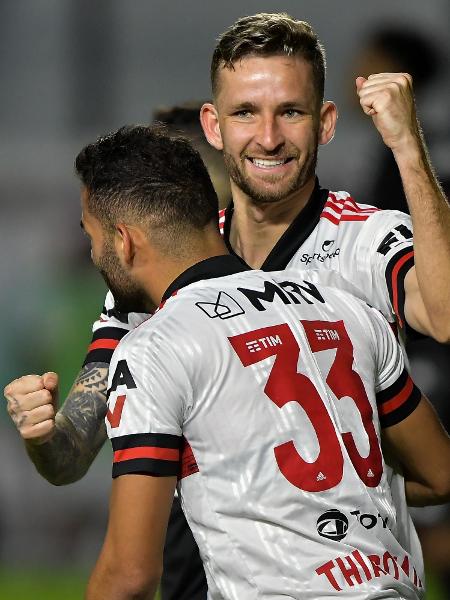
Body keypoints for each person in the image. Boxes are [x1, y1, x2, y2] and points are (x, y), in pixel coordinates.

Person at [4, 12, 450, 600]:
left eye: (290, 112)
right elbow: (71, 454)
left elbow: (443, 318)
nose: (268, 137)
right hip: (197, 580)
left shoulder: (362, 241)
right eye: (246, 113)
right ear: (213, 126)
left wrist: (407, 150)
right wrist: (43, 435)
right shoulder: (162, 267)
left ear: (325, 123)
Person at [77, 124, 450, 600]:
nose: (92, 252)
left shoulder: (155, 346)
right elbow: (439, 475)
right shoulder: (346, 309)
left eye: (91, 235)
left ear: (125, 241)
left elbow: (129, 575)